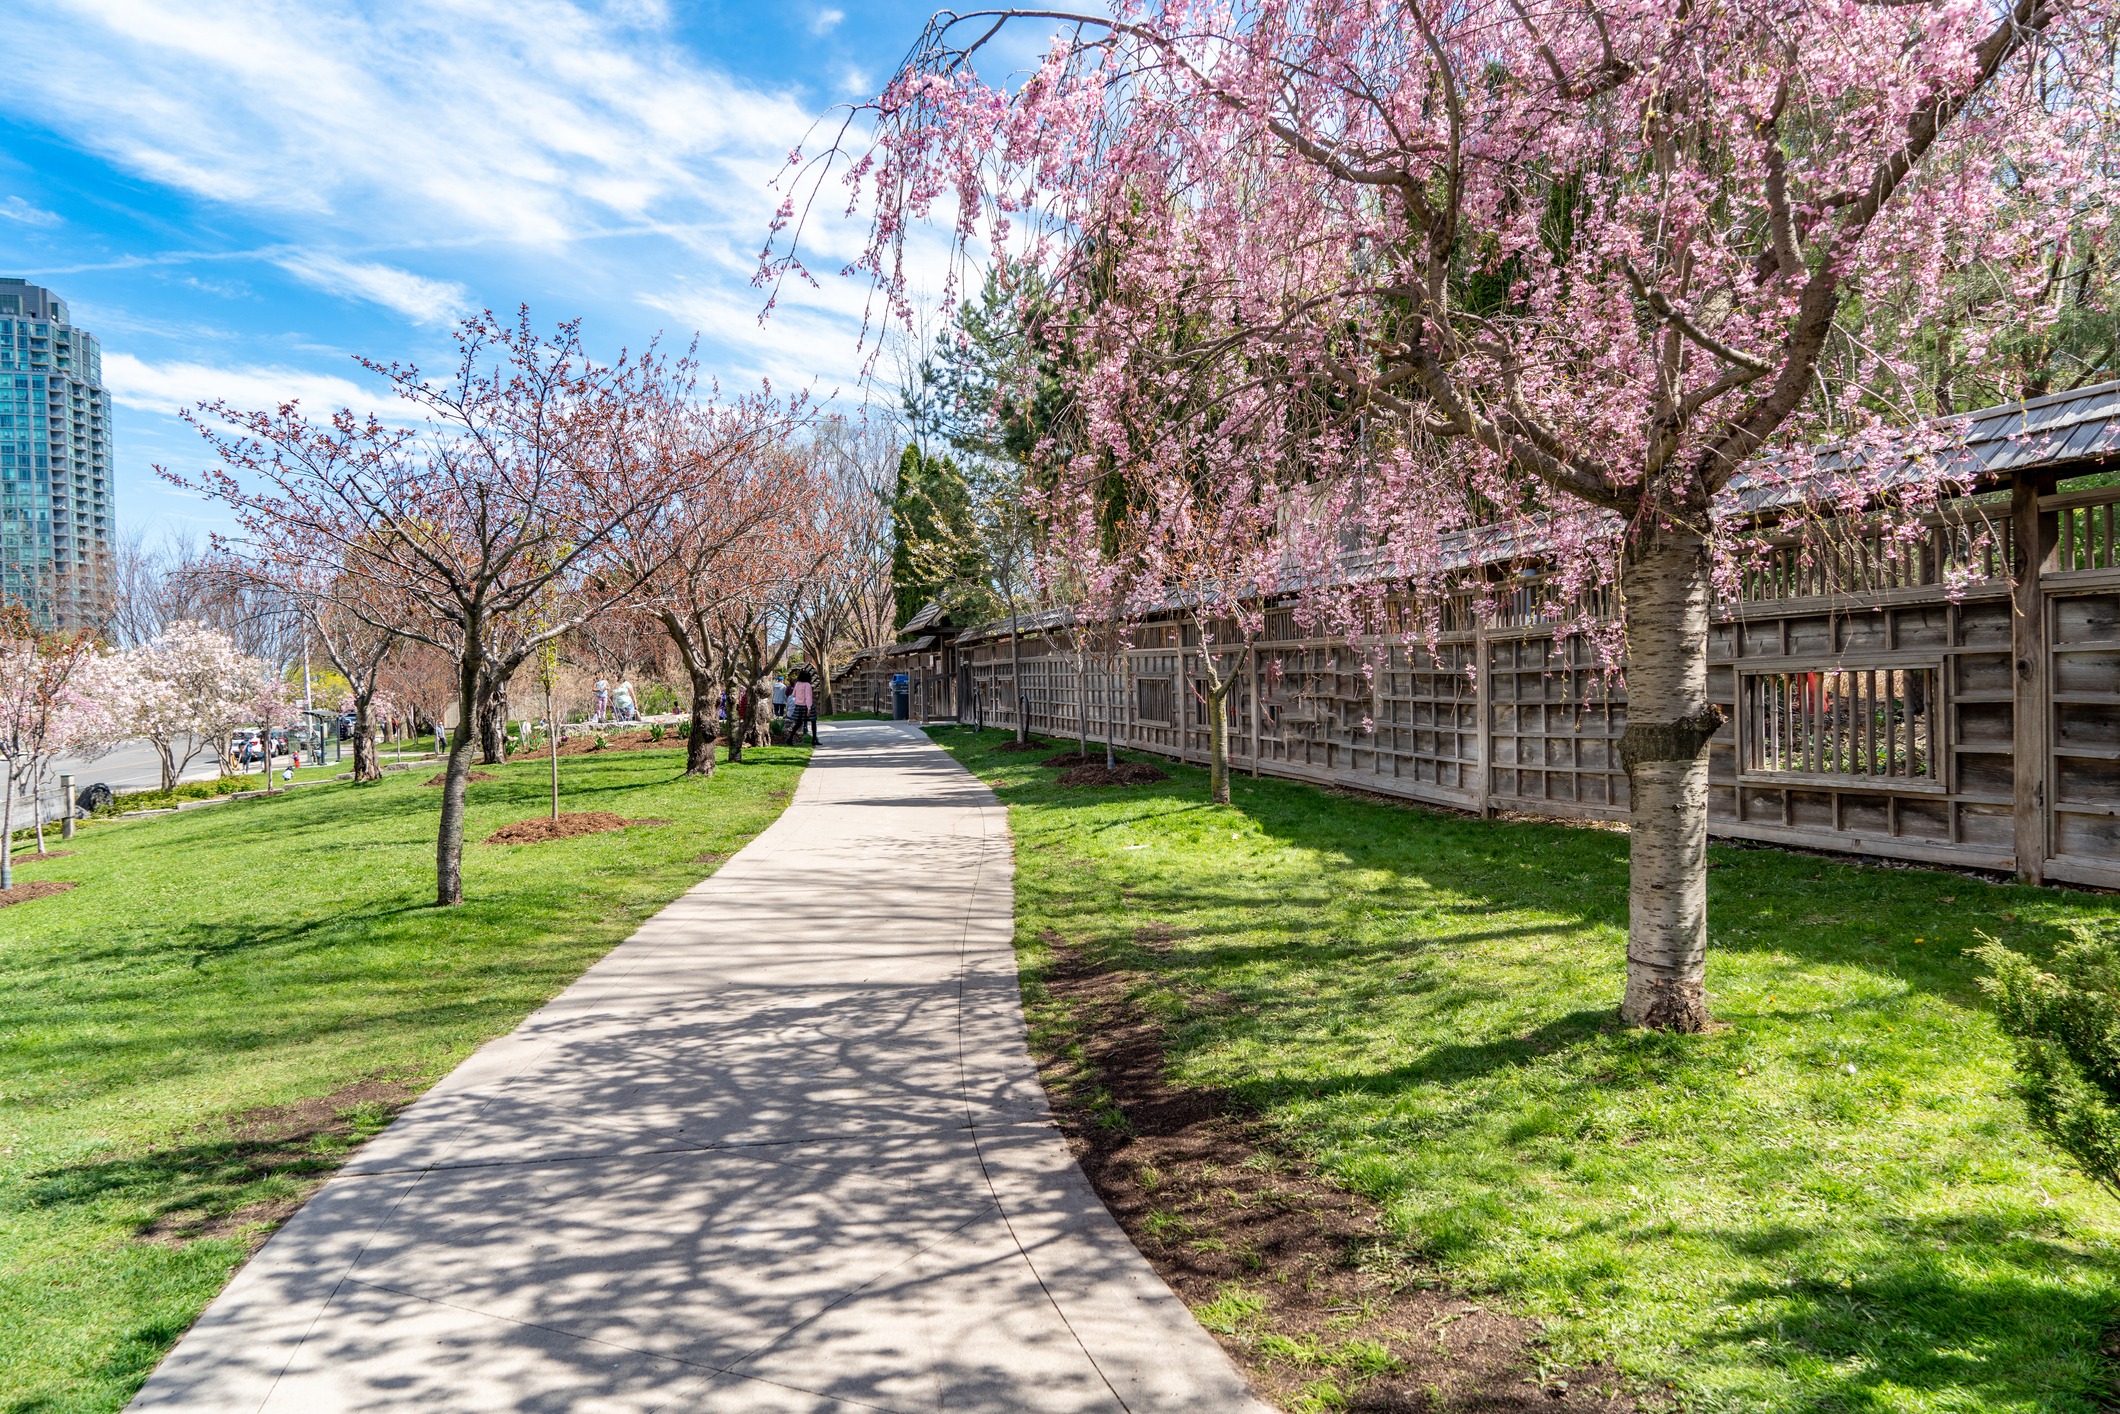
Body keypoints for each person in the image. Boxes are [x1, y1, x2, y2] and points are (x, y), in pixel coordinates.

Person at [789, 669, 817, 747]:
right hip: (806, 705)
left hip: (798, 706)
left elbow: (793, 694)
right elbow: (808, 697)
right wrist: (809, 708)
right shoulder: (807, 685)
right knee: (813, 721)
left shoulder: (797, 684)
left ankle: (790, 738)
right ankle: (814, 739)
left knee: (799, 722)